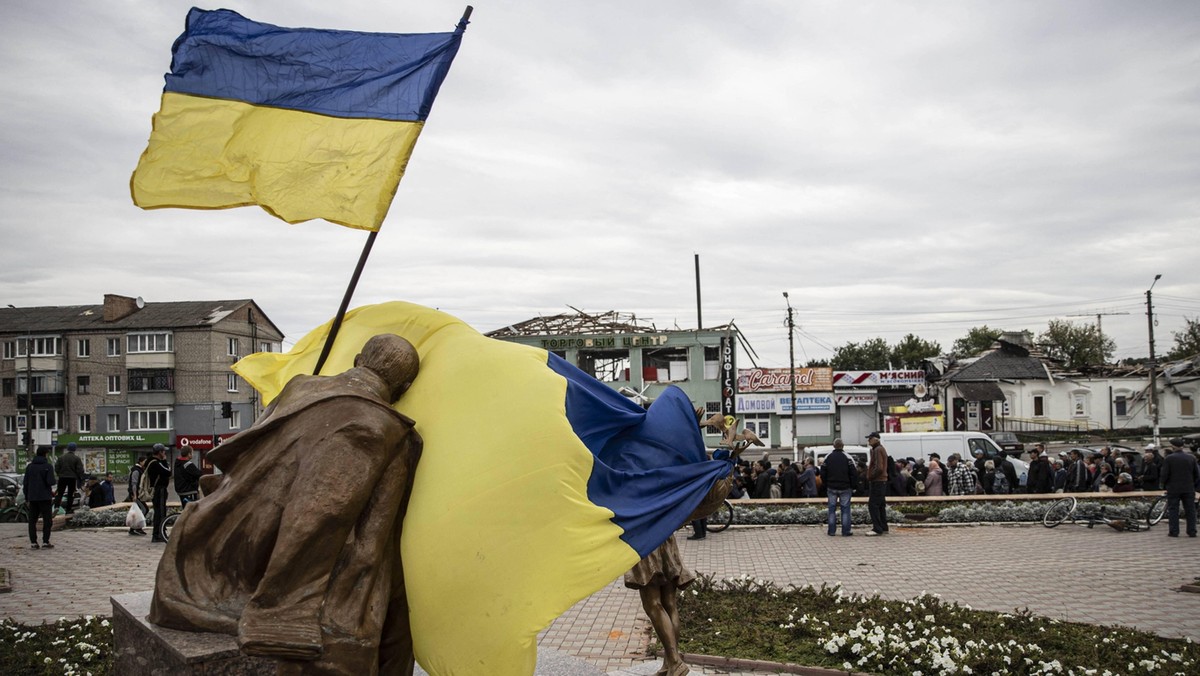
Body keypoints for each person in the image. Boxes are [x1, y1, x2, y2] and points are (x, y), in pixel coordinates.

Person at [151, 334, 425, 674]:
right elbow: (338, 521)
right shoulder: (388, 431)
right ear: (406, 385)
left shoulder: (299, 387)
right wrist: (287, 605)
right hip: (279, 576)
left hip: (213, 537)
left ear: (357, 359)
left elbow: (248, 458)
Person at [1161, 438, 1199, 538]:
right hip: (1188, 488)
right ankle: (1192, 531)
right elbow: (1197, 474)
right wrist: (1192, 484)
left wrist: (1164, 484)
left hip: (1173, 488)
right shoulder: (1191, 458)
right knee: (1190, 510)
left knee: (1173, 509)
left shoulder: (1169, 458)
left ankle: (1174, 531)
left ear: (1173, 446)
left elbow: (1165, 474)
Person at [821, 438, 857, 536]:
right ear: (843, 446)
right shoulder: (848, 457)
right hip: (845, 487)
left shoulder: (828, 457)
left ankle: (831, 531)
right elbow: (854, 473)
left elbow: (823, 472)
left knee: (831, 509)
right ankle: (846, 531)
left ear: (834, 446)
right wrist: (853, 486)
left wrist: (826, 483)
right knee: (845, 510)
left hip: (831, 487)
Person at [23, 446, 56, 549]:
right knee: (47, 520)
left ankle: (33, 542)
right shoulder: (48, 466)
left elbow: (26, 484)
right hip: (45, 497)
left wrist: (27, 497)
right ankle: (45, 542)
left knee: (32, 520)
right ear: (45, 454)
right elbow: (50, 482)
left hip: (32, 497)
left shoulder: (30, 467)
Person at [146, 444, 172, 542]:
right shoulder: (156, 463)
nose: (165, 453)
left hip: (158, 490)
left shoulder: (152, 461)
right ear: (160, 452)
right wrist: (164, 460)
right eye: (163, 451)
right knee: (160, 512)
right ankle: (159, 534)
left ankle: (158, 533)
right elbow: (168, 472)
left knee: (159, 511)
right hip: (159, 490)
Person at [865, 432, 889, 536]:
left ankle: (877, 528)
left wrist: (871, 476)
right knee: (880, 505)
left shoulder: (877, 450)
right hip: (882, 481)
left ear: (876, 439)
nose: (868, 441)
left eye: (870, 439)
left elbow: (879, 467)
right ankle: (883, 526)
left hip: (877, 481)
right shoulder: (880, 449)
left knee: (873, 505)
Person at [53, 441, 85, 514]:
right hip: (72, 478)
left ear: (67, 448)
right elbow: (80, 470)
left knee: (60, 493)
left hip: (62, 477)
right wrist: (80, 478)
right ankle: (68, 509)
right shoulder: (76, 458)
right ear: (75, 449)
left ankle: (56, 506)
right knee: (71, 494)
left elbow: (56, 467)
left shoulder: (61, 457)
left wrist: (59, 474)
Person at [127, 455, 149, 536]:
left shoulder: (140, 470)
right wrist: (134, 495)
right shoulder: (136, 471)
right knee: (144, 509)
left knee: (140, 511)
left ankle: (133, 529)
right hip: (136, 494)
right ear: (140, 462)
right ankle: (137, 528)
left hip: (138, 494)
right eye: (144, 461)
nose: (145, 463)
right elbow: (134, 483)